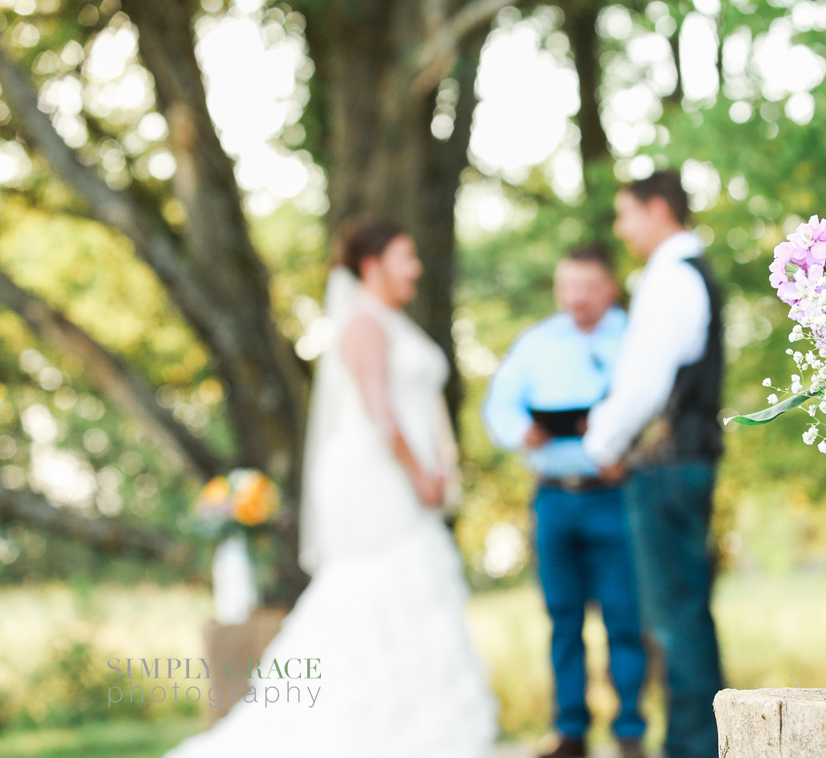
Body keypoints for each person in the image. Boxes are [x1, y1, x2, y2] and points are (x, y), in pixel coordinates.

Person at [164, 219, 498, 757]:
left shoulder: (390, 321)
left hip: (394, 476)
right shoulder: (365, 323)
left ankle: (409, 725)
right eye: (405, 257)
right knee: (376, 587)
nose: (415, 269)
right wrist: (419, 475)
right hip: (378, 478)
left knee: (405, 590)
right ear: (372, 266)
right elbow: (380, 414)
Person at [482, 244, 647, 758]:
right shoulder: (536, 342)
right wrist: (521, 431)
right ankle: (570, 730)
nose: (575, 298)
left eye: (586, 287)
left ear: (608, 288)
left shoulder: (636, 337)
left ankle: (630, 730)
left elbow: (654, 403)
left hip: (616, 496)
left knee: (624, 616)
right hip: (553, 499)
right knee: (563, 617)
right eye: (566, 287)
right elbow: (498, 405)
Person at [582, 171, 724, 758]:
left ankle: (693, 747)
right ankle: (706, 740)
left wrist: (602, 445)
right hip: (683, 464)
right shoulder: (689, 274)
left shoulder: (671, 278)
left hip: (666, 468)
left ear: (659, 209)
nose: (622, 229)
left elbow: (644, 383)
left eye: (627, 215)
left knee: (673, 617)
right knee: (684, 610)